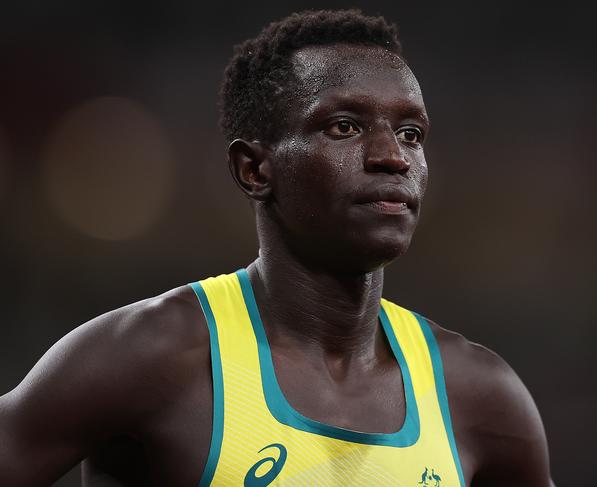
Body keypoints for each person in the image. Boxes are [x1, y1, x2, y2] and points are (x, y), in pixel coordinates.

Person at [0, 9, 554, 487]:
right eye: (344, 127)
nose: (393, 156)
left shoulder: (480, 398)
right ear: (255, 169)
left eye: (411, 134)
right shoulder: (151, 359)